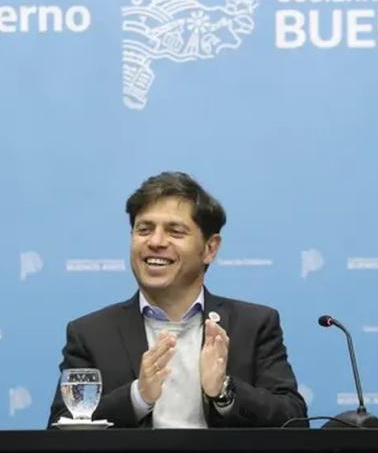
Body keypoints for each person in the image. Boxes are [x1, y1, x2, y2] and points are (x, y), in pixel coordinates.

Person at [48, 171, 306, 428]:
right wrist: (137, 397)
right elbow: (61, 430)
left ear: (210, 249)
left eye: (175, 231)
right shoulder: (91, 334)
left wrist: (224, 391)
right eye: (144, 229)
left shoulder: (253, 325)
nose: (156, 242)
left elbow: (294, 421)